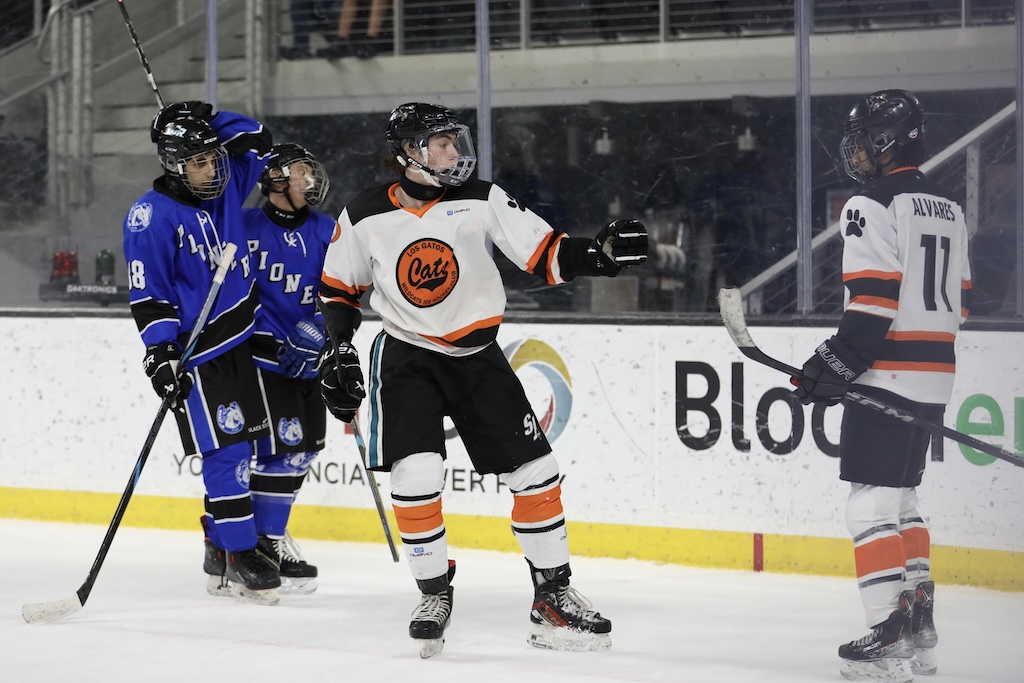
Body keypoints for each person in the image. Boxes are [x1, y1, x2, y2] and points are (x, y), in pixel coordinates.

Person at [316, 102, 647, 657]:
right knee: (416, 476)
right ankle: (433, 593)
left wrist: (600, 254)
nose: (453, 151)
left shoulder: (483, 197)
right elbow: (339, 290)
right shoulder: (363, 215)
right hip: (408, 358)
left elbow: (546, 253)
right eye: (440, 143)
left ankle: (552, 597)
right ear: (408, 154)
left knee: (537, 471)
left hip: (478, 356)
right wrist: (336, 349)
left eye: (453, 141)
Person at [792, 89, 970, 682]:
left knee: (870, 502)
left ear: (888, 141)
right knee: (903, 501)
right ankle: (917, 623)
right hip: (934, 373)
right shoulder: (948, 206)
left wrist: (839, 361)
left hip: (888, 371)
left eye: (864, 137)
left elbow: (872, 301)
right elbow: (960, 303)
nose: (857, 150)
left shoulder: (869, 204)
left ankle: (888, 633)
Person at [122, 101, 279, 605]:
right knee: (226, 450)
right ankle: (239, 552)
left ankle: (218, 543)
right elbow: (150, 294)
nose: (212, 170)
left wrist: (210, 114)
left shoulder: (227, 183)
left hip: (243, 338)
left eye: (214, 158)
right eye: (199, 162)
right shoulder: (150, 216)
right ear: (172, 162)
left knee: (248, 447)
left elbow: (259, 136)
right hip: (198, 353)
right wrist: (160, 354)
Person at [243, 143, 336, 594]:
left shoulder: (327, 230)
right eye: (302, 172)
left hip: (310, 359)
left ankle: (269, 540)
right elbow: (225, 292)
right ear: (277, 180)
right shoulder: (242, 227)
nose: (310, 180)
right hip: (261, 360)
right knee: (271, 451)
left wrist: (320, 331)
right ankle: (247, 544)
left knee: (303, 451)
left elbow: (344, 293)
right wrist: (260, 332)